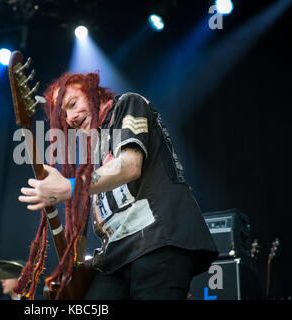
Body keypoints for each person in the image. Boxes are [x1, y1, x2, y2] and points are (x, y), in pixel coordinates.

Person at [17, 72, 218, 300]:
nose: (71, 117)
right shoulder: (93, 149)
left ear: (92, 90)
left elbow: (130, 165)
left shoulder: (128, 104)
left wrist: (69, 186)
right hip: (114, 258)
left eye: (73, 104)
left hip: (156, 241)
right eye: (63, 115)